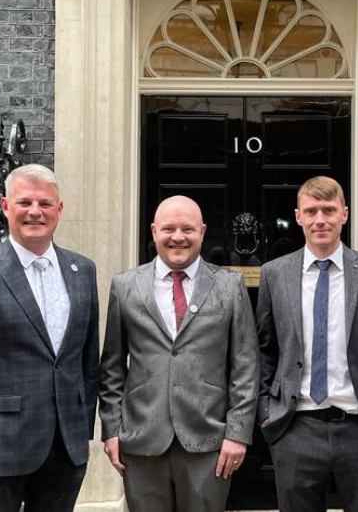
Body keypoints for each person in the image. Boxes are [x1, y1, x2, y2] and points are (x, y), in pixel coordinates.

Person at [0, 164, 100, 512]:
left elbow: (88, 360)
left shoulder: (82, 270)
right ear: (6, 207)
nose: (35, 212)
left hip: (65, 449)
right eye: (24, 202)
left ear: (59, 209)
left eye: (44, 203)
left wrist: (82, 432)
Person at [98, 195, 258, 512]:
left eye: (188, 229)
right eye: (169, 228)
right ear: (155, 231)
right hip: (141, 441)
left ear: (202, 231)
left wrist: (238, 433)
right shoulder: (125, 285)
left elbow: (246, 366)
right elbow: (112, 368)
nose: (178, 237)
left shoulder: (229, 286)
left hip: (208, 442)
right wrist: (111, 431)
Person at [256, 176, 358, 512]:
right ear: (298, 216)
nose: (320, 219)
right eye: (312, 211)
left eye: (329, 210)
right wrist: (265, 411)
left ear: (344, 214)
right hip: (296, 427)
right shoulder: (274, 273)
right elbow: (265, 348)